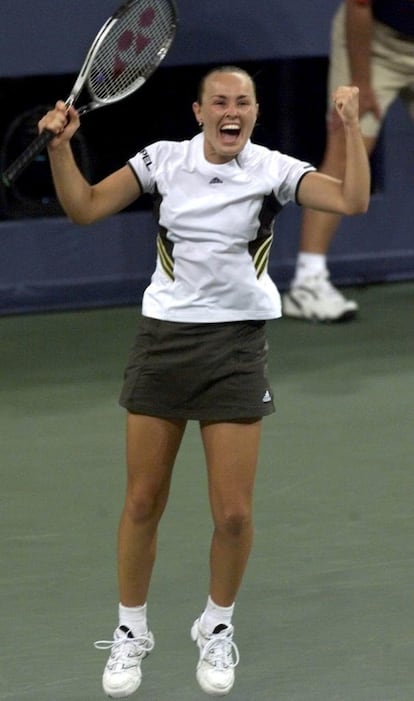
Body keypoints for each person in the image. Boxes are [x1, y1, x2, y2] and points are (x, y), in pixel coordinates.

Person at [38, 65, 369, 697]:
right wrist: (59, 147)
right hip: (163, 344)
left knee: (235, 514)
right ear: (199, 111)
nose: (231, 111)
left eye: (242, 102)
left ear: (254, 112)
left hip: (236, 350)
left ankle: (216, 625)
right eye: (219, 101)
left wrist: (350, 128)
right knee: (142, 502)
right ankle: (131, 631)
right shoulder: (162, 161)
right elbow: (83, 208)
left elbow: (352, 200)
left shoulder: (273, 170)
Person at [282, 0, 414, 323]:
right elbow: (359, 5)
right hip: (373, 43)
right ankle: (307, 285)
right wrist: (362, 82)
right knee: (345, 157)